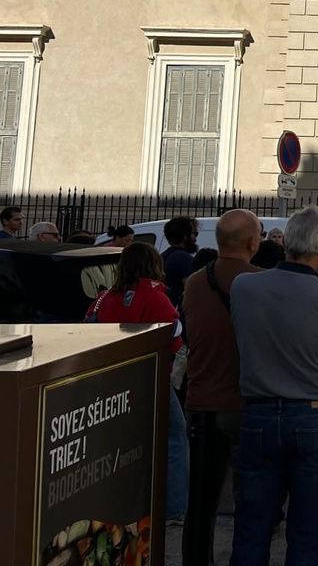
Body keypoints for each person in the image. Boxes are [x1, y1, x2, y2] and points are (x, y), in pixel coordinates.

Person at [228, 206, 318, 566]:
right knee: (308, 528)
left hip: (258, 412)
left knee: (252, 524)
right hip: (314, 416)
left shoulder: (244, 287)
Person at [180, 209, 261, 566]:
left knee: (201, 501)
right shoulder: (259, 282)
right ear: (253, 242)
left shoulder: (195, 282)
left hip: (202, 401)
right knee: (253, 497)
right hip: (246, 402)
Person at [89, 242, 189, 523]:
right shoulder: (157, 297)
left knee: (126, 442)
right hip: (152, 374)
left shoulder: (108, 297)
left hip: (114, 378)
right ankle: (174, 507)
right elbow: (175, 337)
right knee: (175, 440)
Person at [163, 216, 199, 307]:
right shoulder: (183, 258)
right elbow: (192, 291)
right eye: (193, 234)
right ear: (184, 236)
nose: (195, 238)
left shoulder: (164, 255)